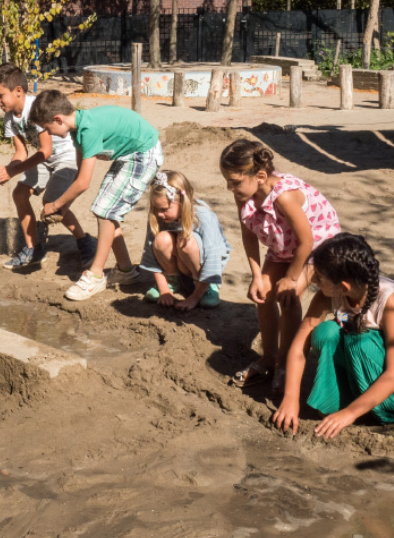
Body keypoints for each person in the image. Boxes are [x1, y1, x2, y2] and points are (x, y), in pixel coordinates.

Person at [272, 233, 394, 436]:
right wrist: (290, 398)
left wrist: (349, 414)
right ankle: (347, 396)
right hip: (364, 347)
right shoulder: (327, 296)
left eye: (320, 279)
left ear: (343, 287)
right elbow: (300, 343)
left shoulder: (390, 300)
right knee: (325, 332)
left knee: (359, 342)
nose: (315, 282)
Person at [220, 139, 341, 393]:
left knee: (288, 295)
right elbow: (248, 235)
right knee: (263, 293)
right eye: (227, 181)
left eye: (234, 181)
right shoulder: (244, 195)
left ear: (260, 176)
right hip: (283, 245)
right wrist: (256, 275)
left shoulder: (284, 196)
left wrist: (291, 277)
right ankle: (268, 358)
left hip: (315, 246)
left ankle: (285, 363)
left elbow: (306, 241)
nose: (229, 187)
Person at [29, 90, 163, 301]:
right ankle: (126, 271)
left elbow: (84, 182)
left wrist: (55, 205)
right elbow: (79, 179)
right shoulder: (77, 130)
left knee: (104, 211)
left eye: (48, 128)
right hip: (129, 156)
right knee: (107, 210)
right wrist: (65, 206)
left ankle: (96, 275)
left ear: (58, 119)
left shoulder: (88, 129)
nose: (50, 134)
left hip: (143, 154)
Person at [0, 63, 97, 271]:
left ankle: (84, 241)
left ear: (18, 91)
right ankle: (34, 248)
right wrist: (7, 170)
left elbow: (45, 150)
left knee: (51, 202)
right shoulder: (10, 118)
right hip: (42, 160)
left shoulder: (34, 109)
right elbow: (21, 153)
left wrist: (13, 170)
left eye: (0, 95)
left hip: (65, 157)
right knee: (19, 194)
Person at [139, 171, 232, 311]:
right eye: (156, 208)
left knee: (186, 240)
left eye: (164, 209)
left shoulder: (202, 215)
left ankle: (207, 288)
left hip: (203, 270)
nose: (159, 213)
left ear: (182, 201)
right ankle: (172, 281)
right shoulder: (159, 215)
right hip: (180, 264)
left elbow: (213, 257)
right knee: (161, 239)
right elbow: (150, 250)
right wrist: (164, 289)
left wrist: (194, 298)